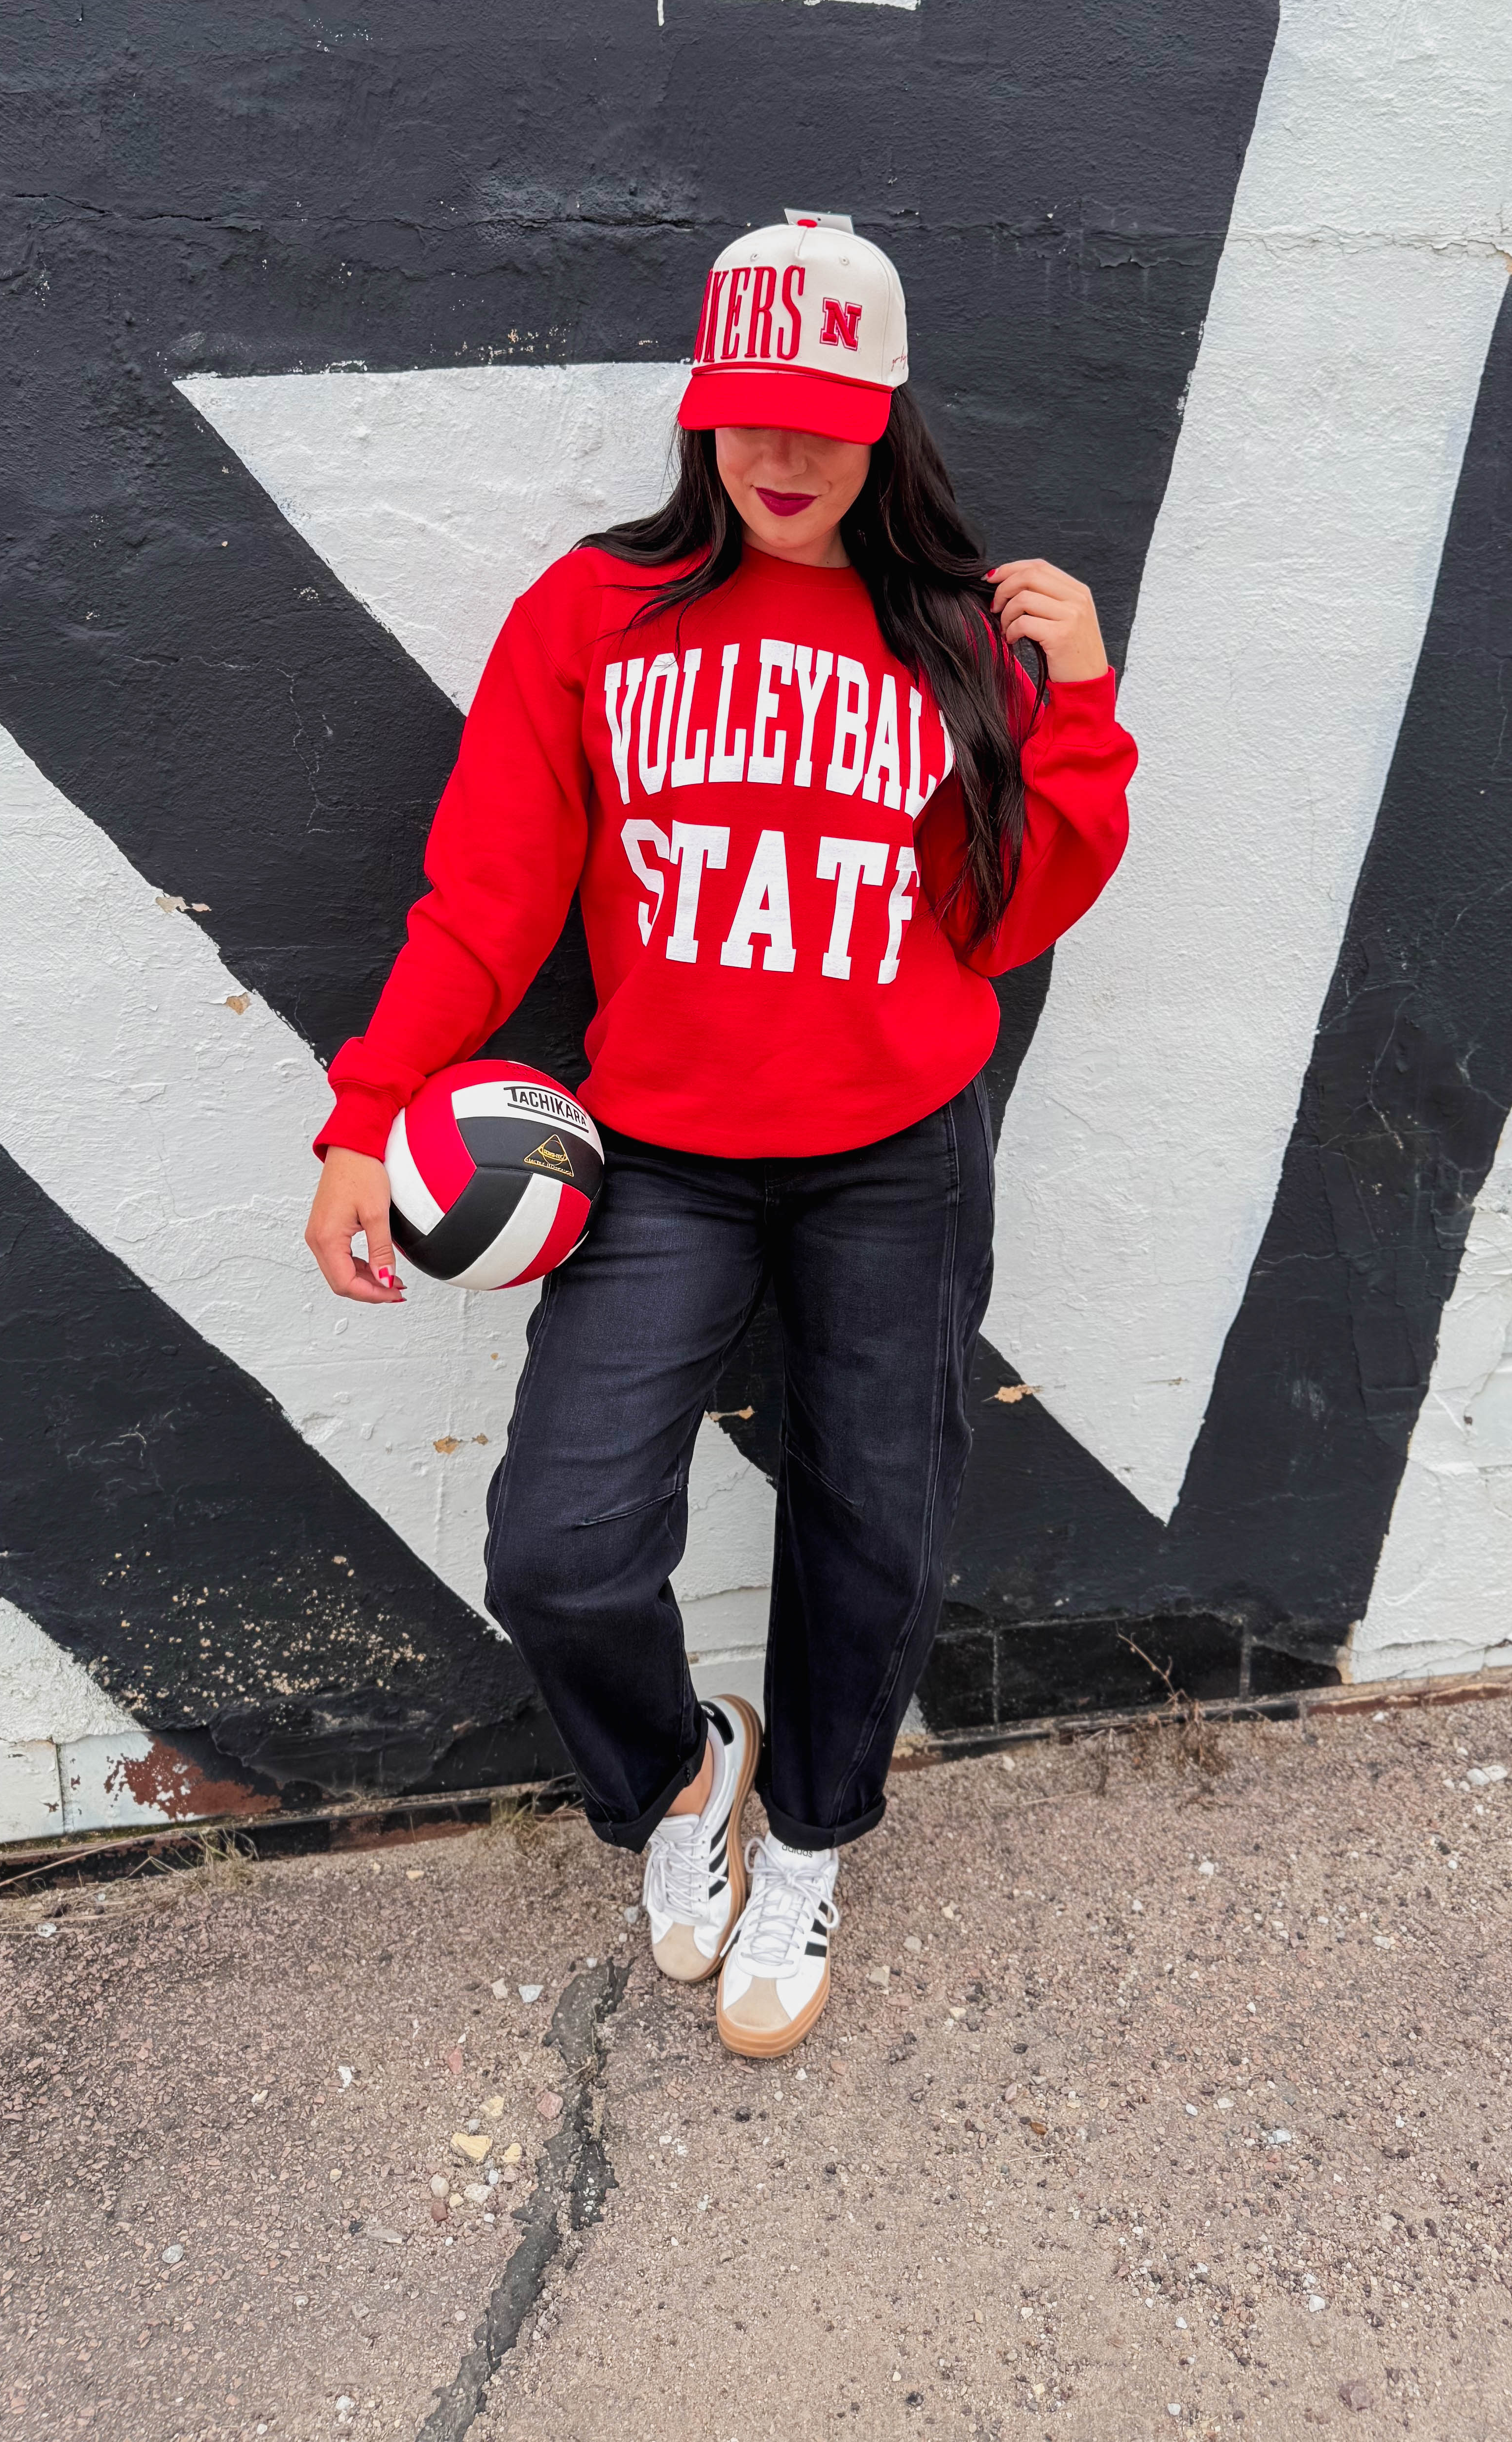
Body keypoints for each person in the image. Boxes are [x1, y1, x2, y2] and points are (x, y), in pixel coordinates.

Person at [304, 210, 1136, 2058]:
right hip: (660, 1154)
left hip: (894, 1150)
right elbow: (487, 901)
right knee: (561, 1544)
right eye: (750, 411)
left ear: (882, 417)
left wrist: (1074, 708)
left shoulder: (954, 632)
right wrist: (367, 1113)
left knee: (875, 1518)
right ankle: (686, 1779)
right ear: (702, 407)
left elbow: (1006, 921)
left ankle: (813, 1838)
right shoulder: (594, 613)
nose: (781, 453)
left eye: (823, 419)